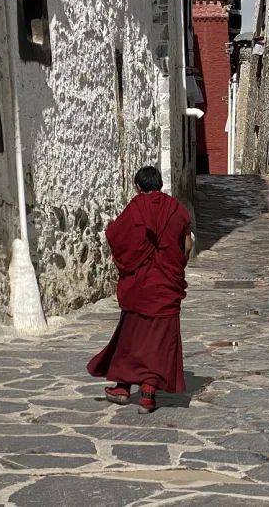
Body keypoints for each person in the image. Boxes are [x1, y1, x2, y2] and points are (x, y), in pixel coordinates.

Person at [87, 166, 193, 413]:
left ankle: (123, 387)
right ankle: (147, 393)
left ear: (138, 187)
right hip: (166, 286)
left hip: (139, 287)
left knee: (130, 337)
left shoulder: (136, 208)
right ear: (161, 184)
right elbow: (186, 245)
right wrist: (176, 267)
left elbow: (116, 236)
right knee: (159, 341)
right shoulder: (177, 209)